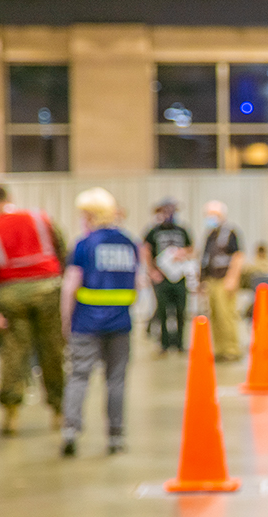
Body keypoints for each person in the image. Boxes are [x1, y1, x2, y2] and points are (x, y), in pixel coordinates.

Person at [0, 185, 67, 436]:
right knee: (52, 350)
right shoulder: (40, 218)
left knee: (13, 354)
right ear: (10, 198)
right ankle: (59, 410)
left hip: (11, 296)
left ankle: (11, 414)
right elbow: (63, 249)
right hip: (48, 289)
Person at [59, 188, 139, 458]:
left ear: (91, 216)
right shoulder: (130, 244)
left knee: (79, 377)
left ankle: (71, 431)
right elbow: (138, 284)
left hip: (86, 323)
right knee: (116, 380)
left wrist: (65, 321)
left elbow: (70, 287)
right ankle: (116, 435)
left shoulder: (84, 245)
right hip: (120, 323)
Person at [142, 199, 192, 354]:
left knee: (180, 311)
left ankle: (179, 343)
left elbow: (191, 248)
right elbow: (146, 251)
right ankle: (163, 344)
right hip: (161, 278)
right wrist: (151, 271)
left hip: (179, 277)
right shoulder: (153, 231)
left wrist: (183, 253)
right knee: (162, 312)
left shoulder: (182, 230)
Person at [201, 200, 244, 362]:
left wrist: (232, 278)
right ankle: (219, 349)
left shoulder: (230, 232)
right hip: (211, 280)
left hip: (224, 279)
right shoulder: (210, 234)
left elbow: (238, 256)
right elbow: (205, 259)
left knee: (226, 315)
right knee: (215, 315)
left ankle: (231, 349)